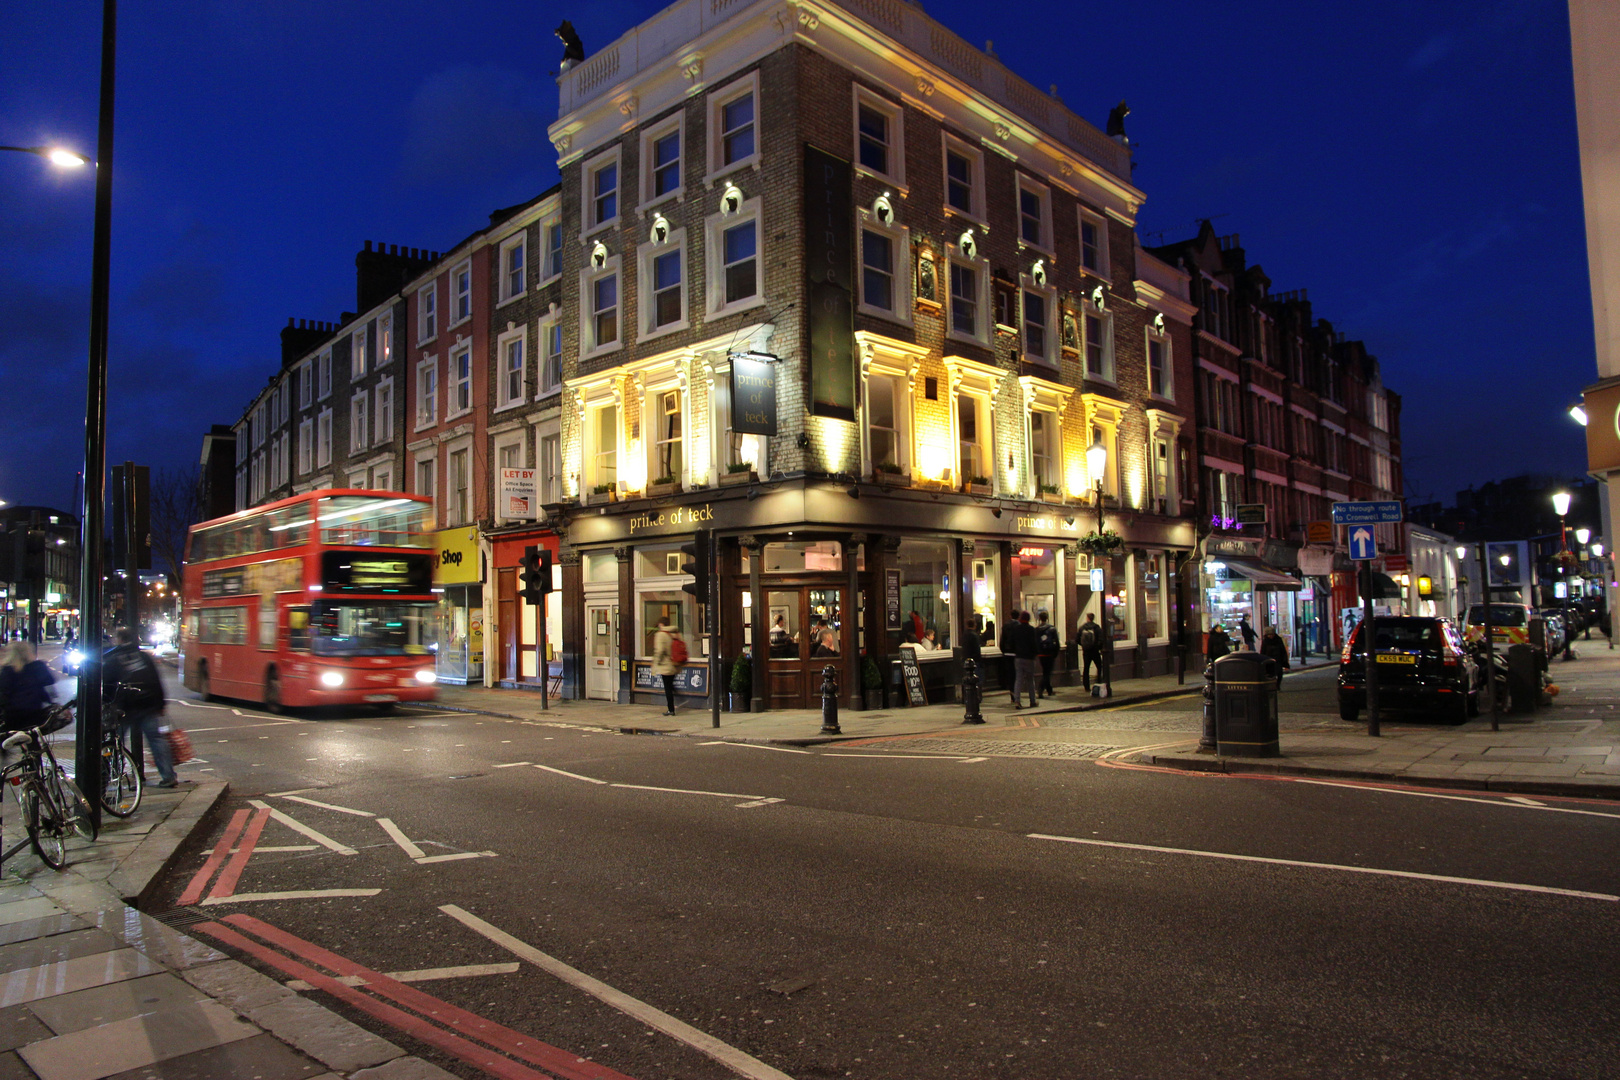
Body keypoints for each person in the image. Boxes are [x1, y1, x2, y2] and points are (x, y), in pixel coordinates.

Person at [102, 627, 180, 787]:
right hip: (148, 704)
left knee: (115, 741)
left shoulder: (112, 659)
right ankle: (168, 776)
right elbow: (156, 680)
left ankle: (110, 775)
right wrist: (161, 703)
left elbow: (108, 686)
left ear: (118, 639)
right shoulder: (144, 657)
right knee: (157, 740)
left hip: (124, 707)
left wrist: (108, 705)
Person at [0, 641, 57, 734]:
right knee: (32, 736)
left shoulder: (7, 670)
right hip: (35, 711)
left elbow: (4, 693)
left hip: (12, 714)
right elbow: (50, 681)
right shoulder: (38, 666)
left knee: (5, 738)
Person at [1011, 611, 1041, 708]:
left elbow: (1012, 642)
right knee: (1030, 680)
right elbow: (1034, 643)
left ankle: (1017, 701)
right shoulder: (1031, 630)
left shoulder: (1016, 629)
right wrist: (1035, 654)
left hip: (1019, 657)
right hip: (1029, 658)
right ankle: (1032, 701)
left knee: (1018, 679)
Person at [652, 619, 679, 715]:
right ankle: (675, 694)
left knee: (667, 688)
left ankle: (671, 710)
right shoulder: (675, 633)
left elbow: (659, 651)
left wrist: (656, 663)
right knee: (670, 685)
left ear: (661, 624)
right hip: (675, 664)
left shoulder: (661, 634)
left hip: (666, 665)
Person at [1035, 611, 1060, 697]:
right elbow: (1056, 642)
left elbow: (1035, 642)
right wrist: (1055, 653)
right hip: (1050, 653)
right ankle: (1040, 689)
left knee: (1046, 671)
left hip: (1041, 654)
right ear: (1047, 618)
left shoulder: (1037, 629)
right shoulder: (1052, 628)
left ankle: (1049, 690)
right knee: (1047, 673)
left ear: (1039, 618)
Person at [1077, 613, 1104, 691]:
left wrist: (1083, 646)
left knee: (1086, 668)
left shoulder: (1082, 628)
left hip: (1086, 651)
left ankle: (1086, 687)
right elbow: (1101, 639)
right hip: (1095, 651)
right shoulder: (1097, 628)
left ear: (1087, 618)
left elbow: (1077, 639)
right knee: (1099, 667)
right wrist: (1098, 647)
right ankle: (1098, 682)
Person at [999, 610, 1021, 705]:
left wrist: (1004, 651)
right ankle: (1016, 695)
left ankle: (1012, 693)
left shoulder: (1005, 625)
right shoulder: (1019, 626)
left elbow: (1002, 640)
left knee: (1010, 675)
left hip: (1007, 654)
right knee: (1017, 675)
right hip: (1016, 654)